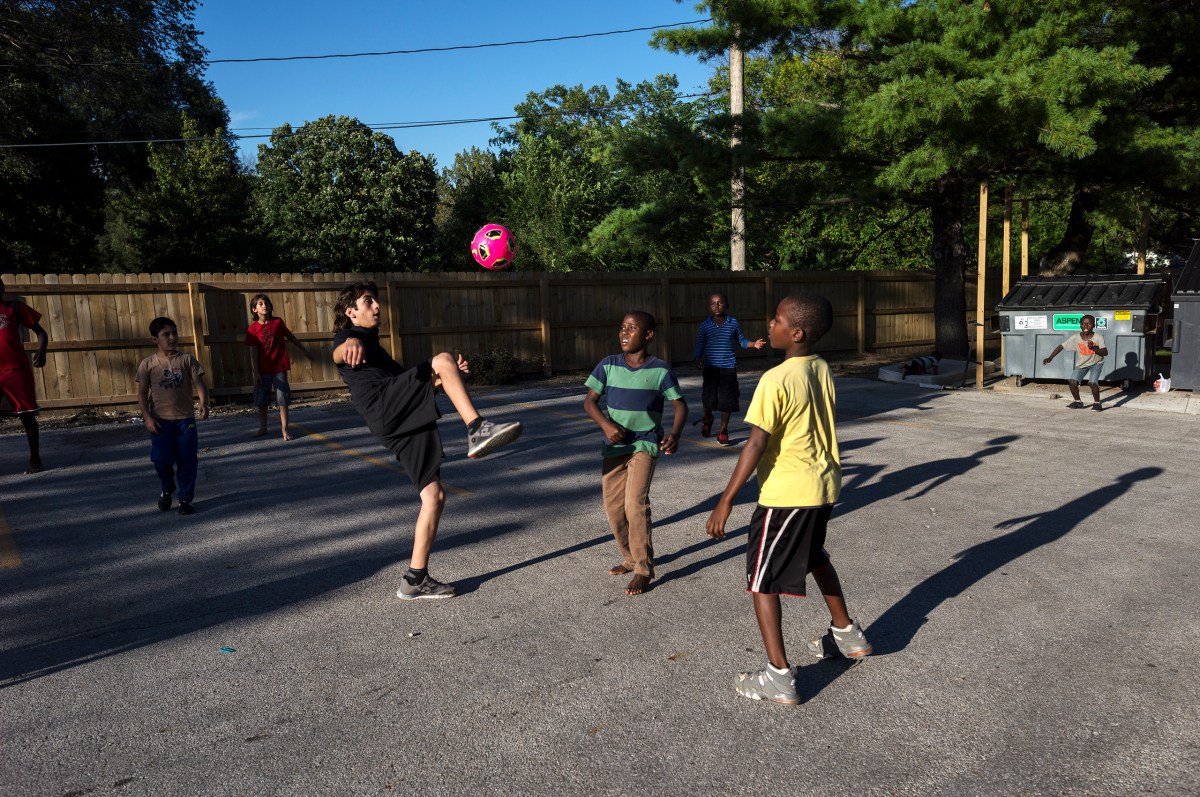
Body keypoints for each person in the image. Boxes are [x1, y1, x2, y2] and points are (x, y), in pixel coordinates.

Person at [706, 293, 872, 706]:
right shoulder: (820, 368)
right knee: (815, 556)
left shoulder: (776, 379)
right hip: (823, 488)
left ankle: (778, 676)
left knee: (762, 579)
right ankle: (847, 635)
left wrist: (726, 499)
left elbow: (756, 443)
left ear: (795, 333)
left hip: (786, 495)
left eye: (777, 319)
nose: (770, 324)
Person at [331, 281, 522, 600]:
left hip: (394, 419)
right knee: (442, 358)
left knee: (434, 496)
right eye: (368, 302)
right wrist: (347, 345)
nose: (377, 306)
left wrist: (446, 376)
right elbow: (339, 350)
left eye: (376, 301)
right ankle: (477, 428)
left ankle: (415, 579)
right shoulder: (351, 338)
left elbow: (413, 386)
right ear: (351, 312)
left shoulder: (377, 350)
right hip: (382, 408)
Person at [584, 311, 687, 596]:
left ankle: (643, 568)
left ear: (648, 335)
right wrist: (605, 425)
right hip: (615, 447)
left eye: (632, 328)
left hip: (644, 445)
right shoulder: (608, 365)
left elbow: (680, 406)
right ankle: (629, 558)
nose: (625, 332)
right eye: (622, 327)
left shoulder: (660, 370)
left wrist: (674, 435)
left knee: (635, 505)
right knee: (614, 509)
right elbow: (589, 401)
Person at [135, 317, 210, 515]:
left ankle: (185, 498)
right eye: (166, 334)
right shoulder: (148, 364)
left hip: (185, 420)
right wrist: (148, 418)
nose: (172, 337)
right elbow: (142, 393)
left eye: (174, 333)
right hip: (160, 422)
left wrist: (203, 403)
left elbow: (199, 384)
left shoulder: (187, 360)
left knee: (187, 460)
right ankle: (167, 488)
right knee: (161, 460)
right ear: (154, 339)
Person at [693, 292, 765, 446]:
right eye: (713, 303)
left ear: (726, 305)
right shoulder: (705, 325)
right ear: (709, 306)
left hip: (728, 368)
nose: (716, 306)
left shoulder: (733, 323)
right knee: (708, 399)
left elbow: (741, 341)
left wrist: (754, 344)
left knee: (727, 400)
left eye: (720, 303)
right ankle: (708, 418)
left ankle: (723, 430)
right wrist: (697, 358)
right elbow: (700, 344)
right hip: (711, 368)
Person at [0, 276, 49, 474]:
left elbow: (41, 332)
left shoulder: (15, 308)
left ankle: (35, 459)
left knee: (27, 416)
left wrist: (42, 351)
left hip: (16, 370)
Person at [244, 293, 309, 441]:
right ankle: (263, 427)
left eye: (266, 303)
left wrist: (304, 350)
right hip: (262, 370)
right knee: (262, 400)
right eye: (260, 304)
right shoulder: (253, 329)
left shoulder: (278, 322)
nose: (264, 305)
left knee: (283, 399)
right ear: (254, 309)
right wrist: (255, 372)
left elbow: (290, 337)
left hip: (279, 368)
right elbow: (253, 351)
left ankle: (285, 430)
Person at [1042, 314, 1108, 412]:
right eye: (1083, 324)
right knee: (1073, 382)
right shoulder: (1076, 337)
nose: (1086, 326)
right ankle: (1078, 402)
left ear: (1093, 325)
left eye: (1089, 324)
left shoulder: (1098, 337)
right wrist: (1050, 357)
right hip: (1082, 363)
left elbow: (1105, 352)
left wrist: (1093, 348)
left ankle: (1097, 403)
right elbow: (1061, 346)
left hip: (1096, 363)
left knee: (1092, 383)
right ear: (1080, 325)